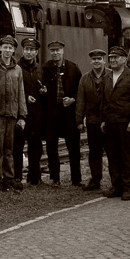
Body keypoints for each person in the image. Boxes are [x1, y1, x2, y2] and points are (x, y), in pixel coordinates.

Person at [102, 46, 130, 201]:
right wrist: (103, 120)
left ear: (124, 60)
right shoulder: (107, 77)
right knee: (112, 156)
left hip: (126, 123)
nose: (112, 60)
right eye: (111, 58)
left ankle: (127, 187)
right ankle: (116, 185)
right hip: (110, 123)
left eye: (116, 57)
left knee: (126, 156)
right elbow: (103, 101)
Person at [0, 36, 28, 195]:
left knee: (9, 149)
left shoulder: (17, 69)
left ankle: (9, 179)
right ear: (0, 48)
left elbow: (21, 93)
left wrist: (22, 115)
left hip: (12, 114)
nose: (7, 50)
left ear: (13, 50)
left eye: (10, 48)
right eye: (5, 47)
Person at [42, 40, 83, 186]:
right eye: (52, 50)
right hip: (52, 113)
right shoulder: (46, 68)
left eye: (57, 50)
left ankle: (76, 179)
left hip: (69, 114)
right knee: (51, 147)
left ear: (63, 51)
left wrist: (72, 99)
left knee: (73, 146)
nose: (55, 53)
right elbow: (41, 88)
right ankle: (55, 178)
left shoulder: (73, 68)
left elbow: (81, 90)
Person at [76, 48, 108, 191]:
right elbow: (81, 100)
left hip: (108, 121)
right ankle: (95, 180)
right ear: (91, 61)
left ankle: (117, 180)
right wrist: (79, 119)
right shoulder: (85, 78)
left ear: (104, 60)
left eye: (99, 59)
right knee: (94, 152)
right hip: (92, 121)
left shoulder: (111, 75)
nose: (96, 61)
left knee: (112, 151)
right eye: (94, 59)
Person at [15, 37, 47, 186]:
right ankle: (17, 178)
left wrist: (43, 90)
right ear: (22, 51)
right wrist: (25, 97)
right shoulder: (16, 67)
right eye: (26, 49)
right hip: (21, 113)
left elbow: (44, 87)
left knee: (36, 147)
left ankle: (35, 177)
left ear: (36, 52)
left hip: (37, 114)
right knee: (18, 146)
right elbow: (13, 89)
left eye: (32, 50)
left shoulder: (40, 68)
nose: (29, 52)